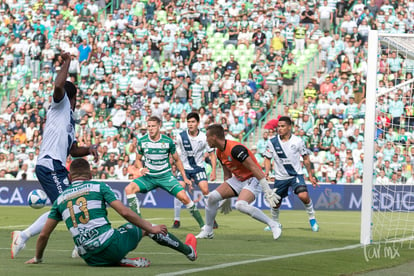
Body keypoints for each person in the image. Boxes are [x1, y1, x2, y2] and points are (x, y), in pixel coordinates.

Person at [25, 158, 197, 267]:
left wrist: (38, 258)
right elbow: (125, 212)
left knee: (109, 237)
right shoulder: (98, 186)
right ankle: (189, 251)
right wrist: (150, 228)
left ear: (70, 177)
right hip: (109, 246)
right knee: (146, 227)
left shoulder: (60, 199)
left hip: (89, 258)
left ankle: (118, 260)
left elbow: (43, 235)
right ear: (90, 173)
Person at [11, 52, 99, 259]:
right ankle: (82, 243)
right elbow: (59, 86)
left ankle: (22, 236)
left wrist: (89, 150)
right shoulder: (60, 105)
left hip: (57, 166)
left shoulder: (69, 120)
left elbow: (73, 150)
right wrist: (67, 63)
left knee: (63, 207)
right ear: (73, 98)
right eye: (77, 98)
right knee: (68, 203)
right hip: (50, 164)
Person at [195, 124, 281, 240]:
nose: (206, 139)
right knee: (212, 198)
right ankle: (208, 230)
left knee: (240, 205)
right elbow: (227, 175)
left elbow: (254, 168)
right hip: (238, 179)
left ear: (214, 137)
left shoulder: (235, 149)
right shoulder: (219, 152)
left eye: (207, 136)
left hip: (253, 178)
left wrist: (267, 190)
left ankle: (273, 224)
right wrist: (226, 198)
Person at [124, 116, 205, 229]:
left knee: (184, 198)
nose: (150, 129)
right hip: (149, 177)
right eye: (149, 126)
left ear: (159, 126)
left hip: (166, 177)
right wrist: (141, 169)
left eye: (153, 126)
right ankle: (139, 224)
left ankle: (203, 226)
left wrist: (184, 177)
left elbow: (177, 160)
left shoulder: (168, 141)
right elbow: (138, 159)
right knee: (129, 189)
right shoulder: (142, 141)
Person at [263, 116, 319, 232]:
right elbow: (267, 158)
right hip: (280, 177)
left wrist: (310, 176)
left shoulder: (298, 141)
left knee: (303, 195)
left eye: (282, 126)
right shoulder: (272, 142)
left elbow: (306, 159)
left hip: (295, 175)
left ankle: (312, 219)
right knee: (275, 203)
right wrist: (267, 172)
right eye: (278, 126)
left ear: (289, 127)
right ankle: (275, 223)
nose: (280, 128)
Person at [172, 112, 218, 229]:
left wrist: (213, 171)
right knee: (179, 190)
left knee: (205, 190)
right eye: (188, 122)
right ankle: (176, 220)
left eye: (193, 122)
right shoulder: (181, 136)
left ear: (198, 123)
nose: (190, 124)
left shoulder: (204, 137)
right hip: (184, 168)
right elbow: (176, 155)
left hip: (198, 168)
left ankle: (211, 219)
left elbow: (212, 154)